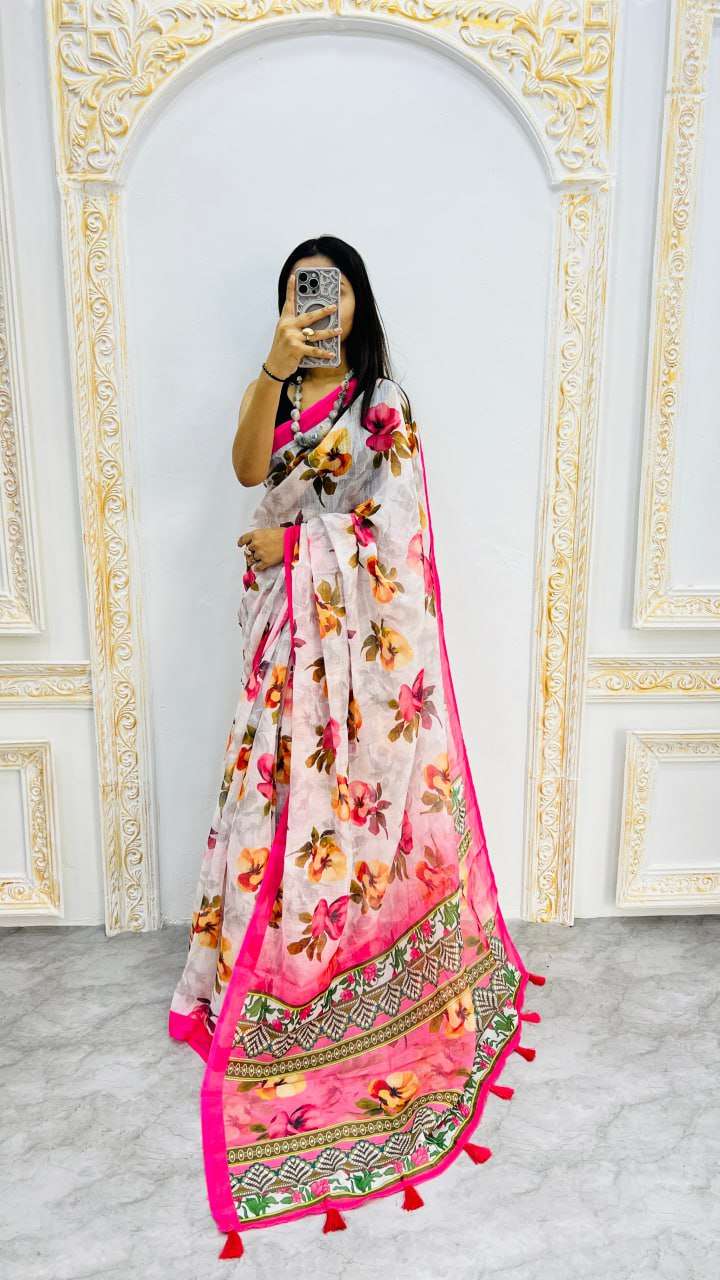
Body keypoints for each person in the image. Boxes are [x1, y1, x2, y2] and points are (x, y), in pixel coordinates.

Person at [168, 235, 546, 1258]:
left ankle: (350, 966)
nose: (318, 305)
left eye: (330, 291)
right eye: (303, 291)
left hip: (349, 646)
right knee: (270, 804)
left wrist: (294, 544)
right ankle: (275, 962)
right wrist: (271, 366)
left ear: (357, 302)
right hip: (284, 641)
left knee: (345, 810)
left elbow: (394, 542)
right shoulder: (285, 394)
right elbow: (248, 468)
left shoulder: (383, 406)